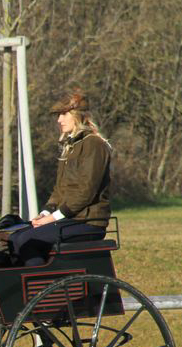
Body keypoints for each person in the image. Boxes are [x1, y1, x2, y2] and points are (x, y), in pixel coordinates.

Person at [9, 91, 111, 266]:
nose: (59, 120)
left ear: (77, 115)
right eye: (58, 115)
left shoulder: (93, 144)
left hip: (87, 222)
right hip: (71, 218)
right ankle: (31, 288)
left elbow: (85, 192)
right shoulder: (71, 146)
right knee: (15, 237)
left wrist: (53, 218)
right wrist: (45, 213)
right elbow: (59, 190)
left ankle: (40, 289)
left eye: (64, 114)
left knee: (28, 241)